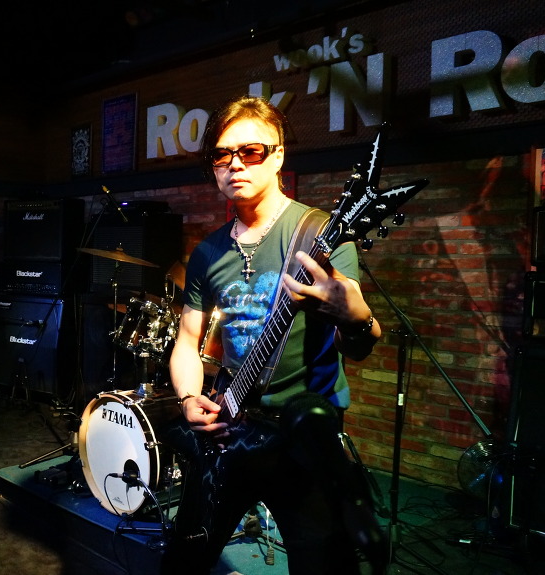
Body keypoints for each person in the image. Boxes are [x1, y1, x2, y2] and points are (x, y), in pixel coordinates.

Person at [161, 95, 386, 574]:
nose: (235, 163)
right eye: (221, 155)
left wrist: (357, 318)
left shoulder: (321, 234)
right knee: (184, 561)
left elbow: (360, 346)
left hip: (302, 437)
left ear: (278, 156)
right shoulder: (207, 253)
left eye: (251, 151)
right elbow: (186, 342)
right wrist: (189, 398)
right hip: (229, 426)